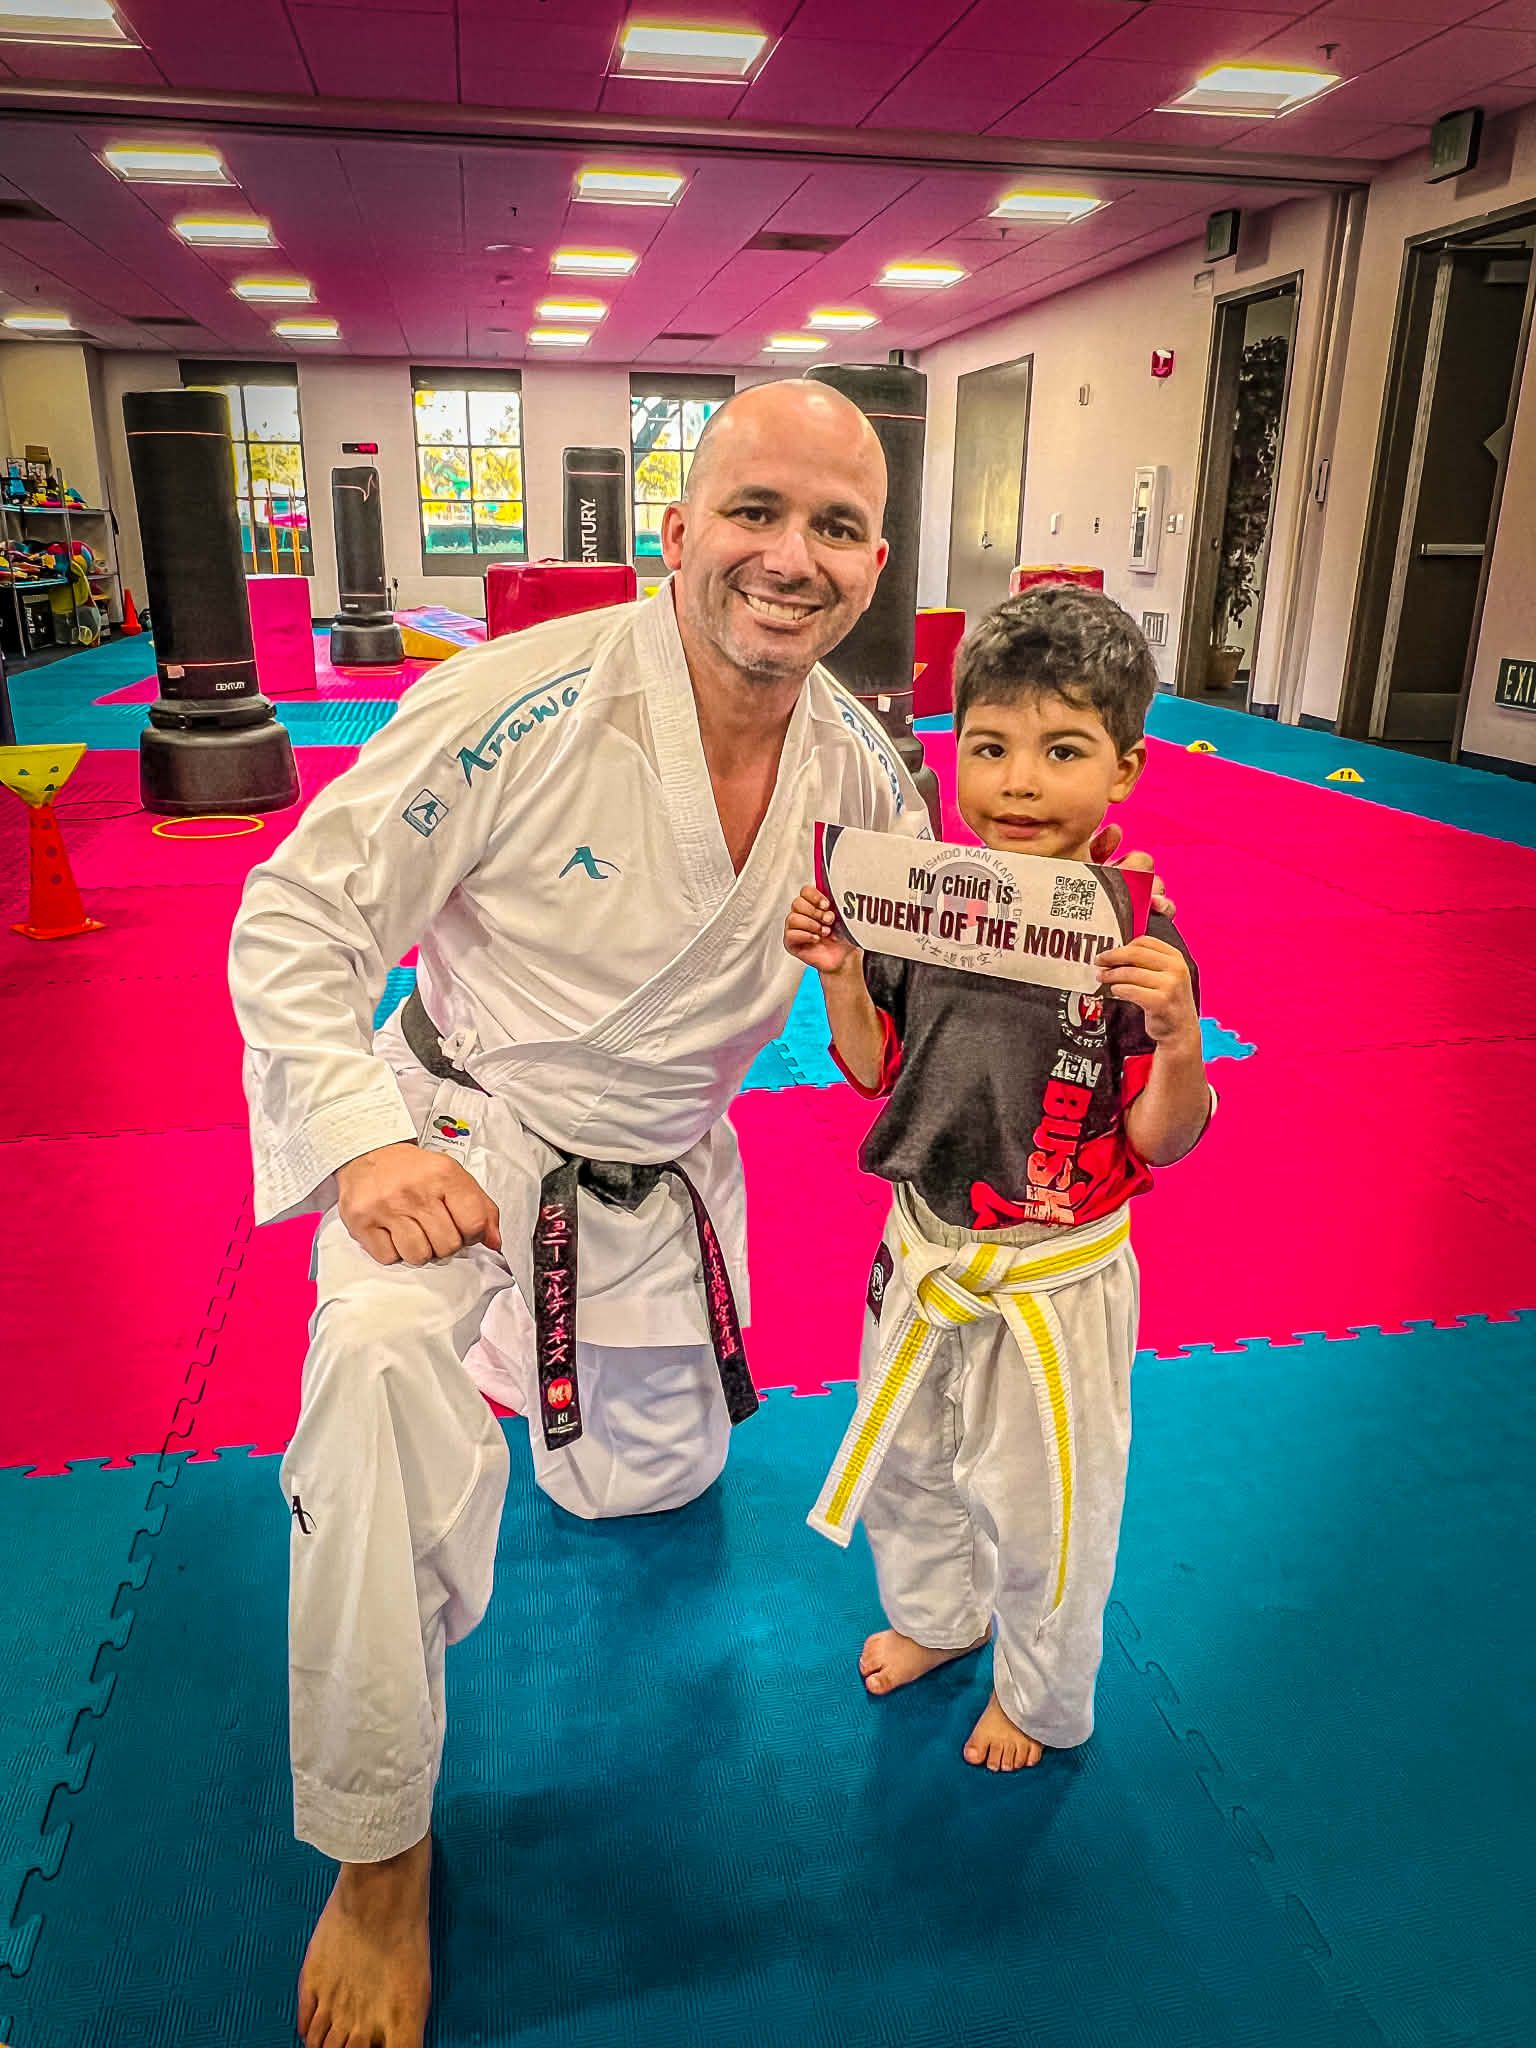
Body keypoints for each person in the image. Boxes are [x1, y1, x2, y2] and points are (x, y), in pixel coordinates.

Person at [230, 384, 1164, 2048]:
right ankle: (376, 1849)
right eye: (753, 510)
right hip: (458, 1119)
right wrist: (362, 1135)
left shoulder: (867, 774)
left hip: (654, 1170)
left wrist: (1100, 1075)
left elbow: (955, 992)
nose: (785, 556)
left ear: (874, 562)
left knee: (638, 1492)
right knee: (373, 1376)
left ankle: (538, 1359)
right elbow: (297, 911)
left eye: (829, 526)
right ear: (675, 528)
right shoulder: (513, 701)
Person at [783, 585, 1213, 1778]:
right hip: (920, 1246)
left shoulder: (1139, 937)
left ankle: (1040, 1689)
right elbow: (876, 1072)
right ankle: (937, 1615)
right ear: (954, 751)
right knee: (909, 1467)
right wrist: (837, 967)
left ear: (1123, 767)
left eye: (1062, 750)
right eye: (990, 747)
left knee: (1044, 1505)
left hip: (1054, 1271)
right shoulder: (928, 905)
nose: (1019, 781)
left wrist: (1178, 1038)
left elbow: (1165, 1140)